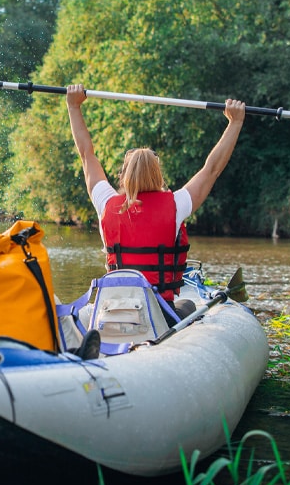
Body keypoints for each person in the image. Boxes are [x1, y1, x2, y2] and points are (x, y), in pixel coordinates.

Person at [66, 83, 246, 325]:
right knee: (189, 305)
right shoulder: (175, 204)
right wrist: (235, 123)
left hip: (114, 310)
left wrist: (73, 106)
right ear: (158, 176)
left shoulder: (106, 203)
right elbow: (211, 169)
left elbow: (86, 154)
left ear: (123, 177)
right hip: (158, 314)